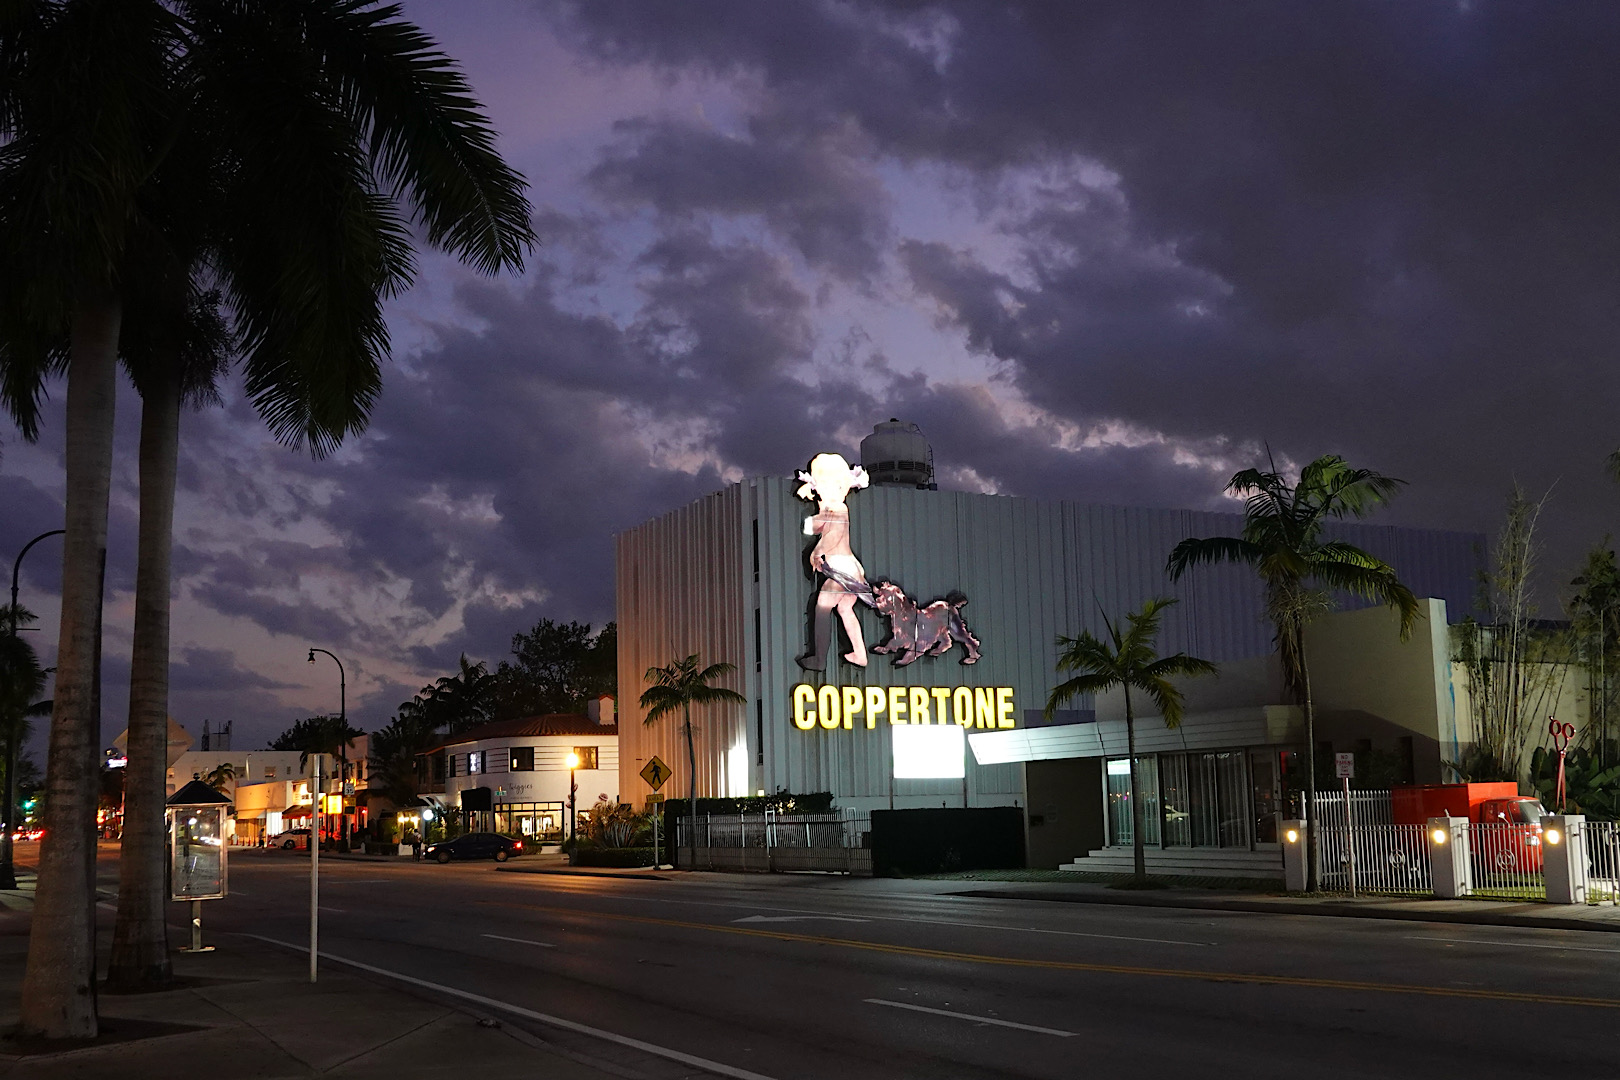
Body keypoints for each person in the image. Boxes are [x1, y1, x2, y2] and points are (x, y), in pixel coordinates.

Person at [796, 452, 875, 670]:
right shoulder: (831, 509)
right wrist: (815, 501)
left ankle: (819, 659)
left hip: (842, 566)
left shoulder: (840, 509)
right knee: (845, 609)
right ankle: (860, 654)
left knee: (823, 605)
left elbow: (832, 536)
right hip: (848, 568)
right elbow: (811, 527)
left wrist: (816, 552)